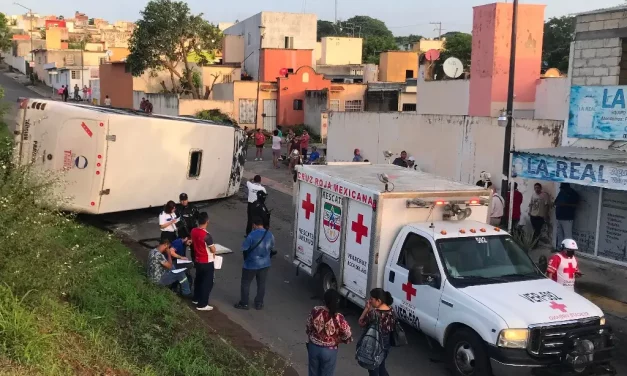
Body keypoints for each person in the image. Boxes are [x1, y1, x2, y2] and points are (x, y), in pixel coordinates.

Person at [306, 289, 353, 376]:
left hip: (314, 348)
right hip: (329, 350)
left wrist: (311, 336)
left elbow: (308, 326)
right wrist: (339, 340)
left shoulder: (315, 310)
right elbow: (347, 333)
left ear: (324, 300)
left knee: (313, 373)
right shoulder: (338, 317)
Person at [234, 217, 275, 310]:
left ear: (254, 225)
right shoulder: (269, 234)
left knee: (245, 283)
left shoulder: (251, 235)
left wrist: (246, 258)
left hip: (251, 264)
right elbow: (272, 247)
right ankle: (259, 303)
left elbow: (244, 249)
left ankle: (244, 303)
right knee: (261, 284)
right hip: (265, 263)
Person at [358, 288, 396, 376]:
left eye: (371, 299)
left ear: (378, 300)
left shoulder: (374, 314)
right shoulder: (391, 311)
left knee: (373, 368)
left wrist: (366, 309)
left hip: (375, 343)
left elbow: (361, 322)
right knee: (381, 365)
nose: (370, 301)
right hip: (386, 344)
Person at [191, 212, 216, 311]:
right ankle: (202, 304)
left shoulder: (193, 231)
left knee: (198, 279)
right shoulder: (206, 235)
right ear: (207, 221)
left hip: (197, 260)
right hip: (207, 261)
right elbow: (213, 249)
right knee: (207, 283)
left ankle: (196, 298)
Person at [554, 183, 579, 249]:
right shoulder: (561, 193)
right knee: (559, 234)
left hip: (567, 218)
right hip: (559, 217)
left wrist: (565, 204)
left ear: (568, 187)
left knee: (567, 235)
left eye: (563, 188)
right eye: (561, 188)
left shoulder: (573, 194)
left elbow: (576, 205)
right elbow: (555, 202)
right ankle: (560, 248)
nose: (562, 189)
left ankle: (568, 250)